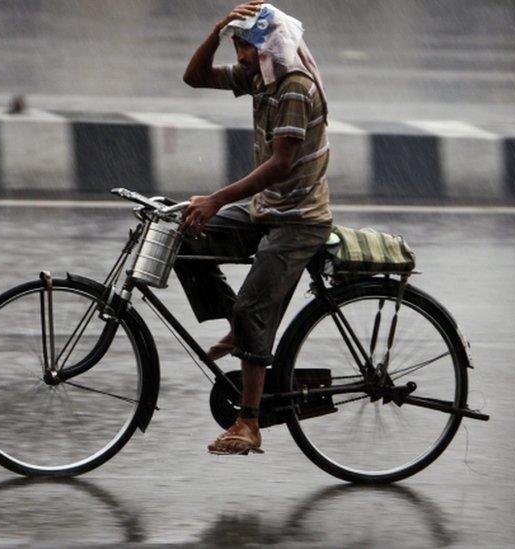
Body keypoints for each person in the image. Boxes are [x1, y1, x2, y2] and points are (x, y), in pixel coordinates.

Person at [177, 1, 332, 455]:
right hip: (266, 210)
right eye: (239, 44)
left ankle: (249, 422)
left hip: (300, 219)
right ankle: (242, 328)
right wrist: (218, 28)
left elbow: (282, 165)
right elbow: (195, 77)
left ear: (270, 45)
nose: (242, 54)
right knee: (187, 236)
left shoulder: (293, 87)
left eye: (249, 44)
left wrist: (217, 198)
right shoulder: (259, 77)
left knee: (253, 308)